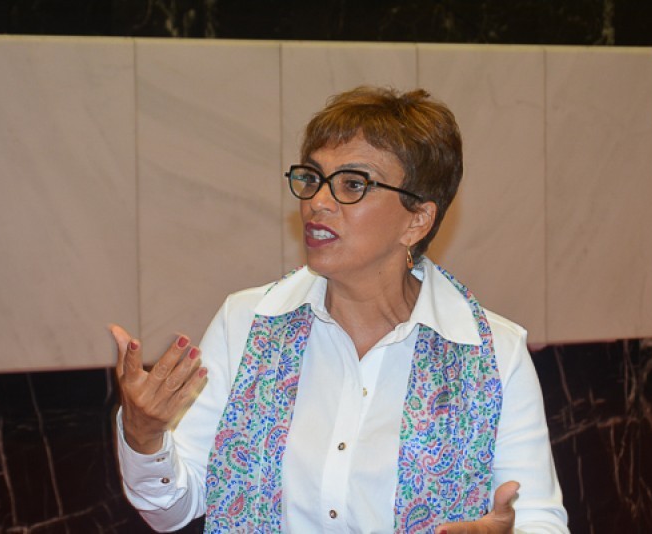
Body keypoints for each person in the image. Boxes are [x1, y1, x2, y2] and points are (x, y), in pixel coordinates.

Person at [110, 86, 569, 533]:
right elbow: (172, 509)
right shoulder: (247, 323)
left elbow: (538, 518)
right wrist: (144, 436)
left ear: (417, 220)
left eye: (353, 184)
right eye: (312, 178)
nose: (317, 202)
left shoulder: (493, 353)